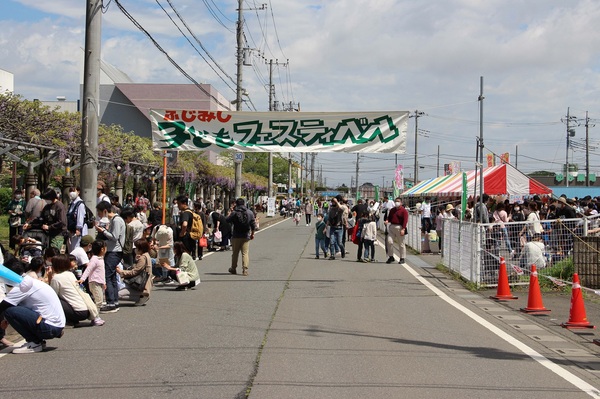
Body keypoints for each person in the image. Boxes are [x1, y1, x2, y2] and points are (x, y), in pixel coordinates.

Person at [0, 262, 66, 354]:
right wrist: (6, 320)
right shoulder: (30, 281)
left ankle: (34, 342)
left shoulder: (23, 285)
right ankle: (38, 341)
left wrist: (5, 318)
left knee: (9, 311)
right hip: (55, 325)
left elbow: (3, 306)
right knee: (11, 309)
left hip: (49, 327)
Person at [49, 254, 103, 326]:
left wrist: (50, 277)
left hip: (78, 312)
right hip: (88, 310)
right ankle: (72, 320)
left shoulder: (56, 278)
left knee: (56, 300)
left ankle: (63, 320)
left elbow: (52, 295)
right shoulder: (70, 274)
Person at [95, 200, 125, 313]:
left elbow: (114, 237)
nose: (98, 215)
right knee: (111, 276)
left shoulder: (117, 220)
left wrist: (102, 231)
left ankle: (111, 302)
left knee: (107, 276)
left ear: (105, 211)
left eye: (99, 212)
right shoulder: (115, 220)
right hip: (114, 250)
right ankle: (114, 301)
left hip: (114, 251)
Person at [116, 238, 152, 306]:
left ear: (140, 248)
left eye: (136, 247)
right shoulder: (146, 255)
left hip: (140, 284)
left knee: (118, 295)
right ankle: (141, 296)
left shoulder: (143, 257)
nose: (135, 249)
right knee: (120, 292)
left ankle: (141, 297)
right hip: (144, 284)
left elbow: (135, 271)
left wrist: (121, 272)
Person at [226, 198, 256, 276]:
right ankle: (245, 270)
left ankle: (233, 268)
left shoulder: (234, 213)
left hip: (236, 235)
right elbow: (253, 224)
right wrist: (252, 233)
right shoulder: (250, 212)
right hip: (246, 235)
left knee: (235, 253)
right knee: (245, 253)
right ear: (244, 203)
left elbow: (227, 220)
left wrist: (230, 212)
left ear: (236, 204)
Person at [78, 240, 107, 318]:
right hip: (94, 282)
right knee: (99, 301)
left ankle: (94, 316)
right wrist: (82, 279)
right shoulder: (94, 259)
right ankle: (94, 317)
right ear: (102, 249)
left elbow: (102, 272)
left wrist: (104, 282)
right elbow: (88, 269)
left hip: (99, 282)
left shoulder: (101, 258)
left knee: (99, 301)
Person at [385, 197, 408, 264]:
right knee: (389, 242)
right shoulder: (392, 210)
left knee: (401, 243)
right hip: (392, 226)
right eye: (395, 201)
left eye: (398, 201)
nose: (396, 202)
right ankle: (391, 256)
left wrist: (403, 229)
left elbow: (405, 221)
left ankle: (402, 258)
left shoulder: (404, 211)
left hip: (400, 227)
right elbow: (389, 218)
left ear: (401, 203)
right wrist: (387, 220)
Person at [66, 187, 88, 252]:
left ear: (78, 192)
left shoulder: (80, 204)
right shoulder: (72, 204)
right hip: (71, 230)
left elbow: (80, 218)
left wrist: (78, 229)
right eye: (70, 191)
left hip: (77, 232)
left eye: (73, 191)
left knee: (76, 249)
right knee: (71, 249)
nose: (71, 192)